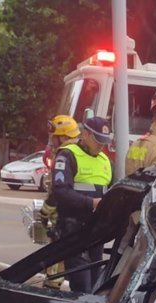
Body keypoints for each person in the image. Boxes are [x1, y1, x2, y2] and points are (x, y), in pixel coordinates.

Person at [50, 116, 113, 293]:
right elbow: (61, 192)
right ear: (85, 134)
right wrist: (91, 203)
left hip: (97, 231)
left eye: (105, 141)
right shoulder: (67, 155)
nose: (102, 145)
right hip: (73, 229)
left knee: (96, 285)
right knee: (82, 284)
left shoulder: (105, 161)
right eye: (98, 140)